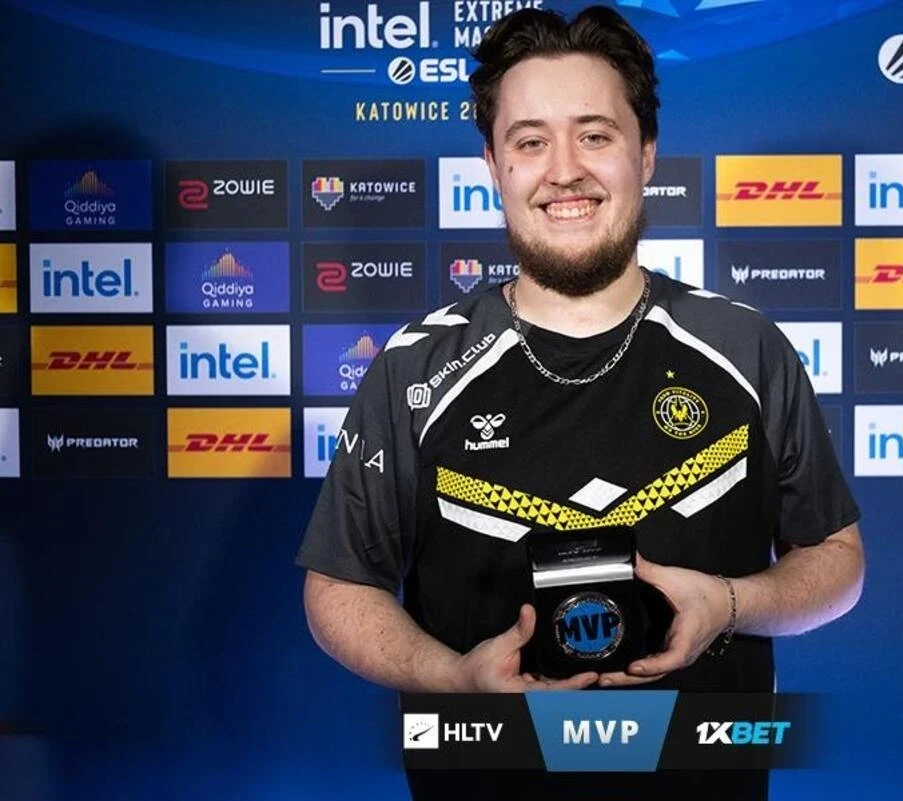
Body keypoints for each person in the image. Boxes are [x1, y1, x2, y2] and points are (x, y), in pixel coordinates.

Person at [296, 5, 864, 798]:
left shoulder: (747, 348)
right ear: (494, 165)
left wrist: (733, 602)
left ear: (647, 153)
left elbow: (838, 560)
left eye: (595, 135)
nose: (565, 170)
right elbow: (338, 588)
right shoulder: (414, 367)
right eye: (530, 141)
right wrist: (454, 677)